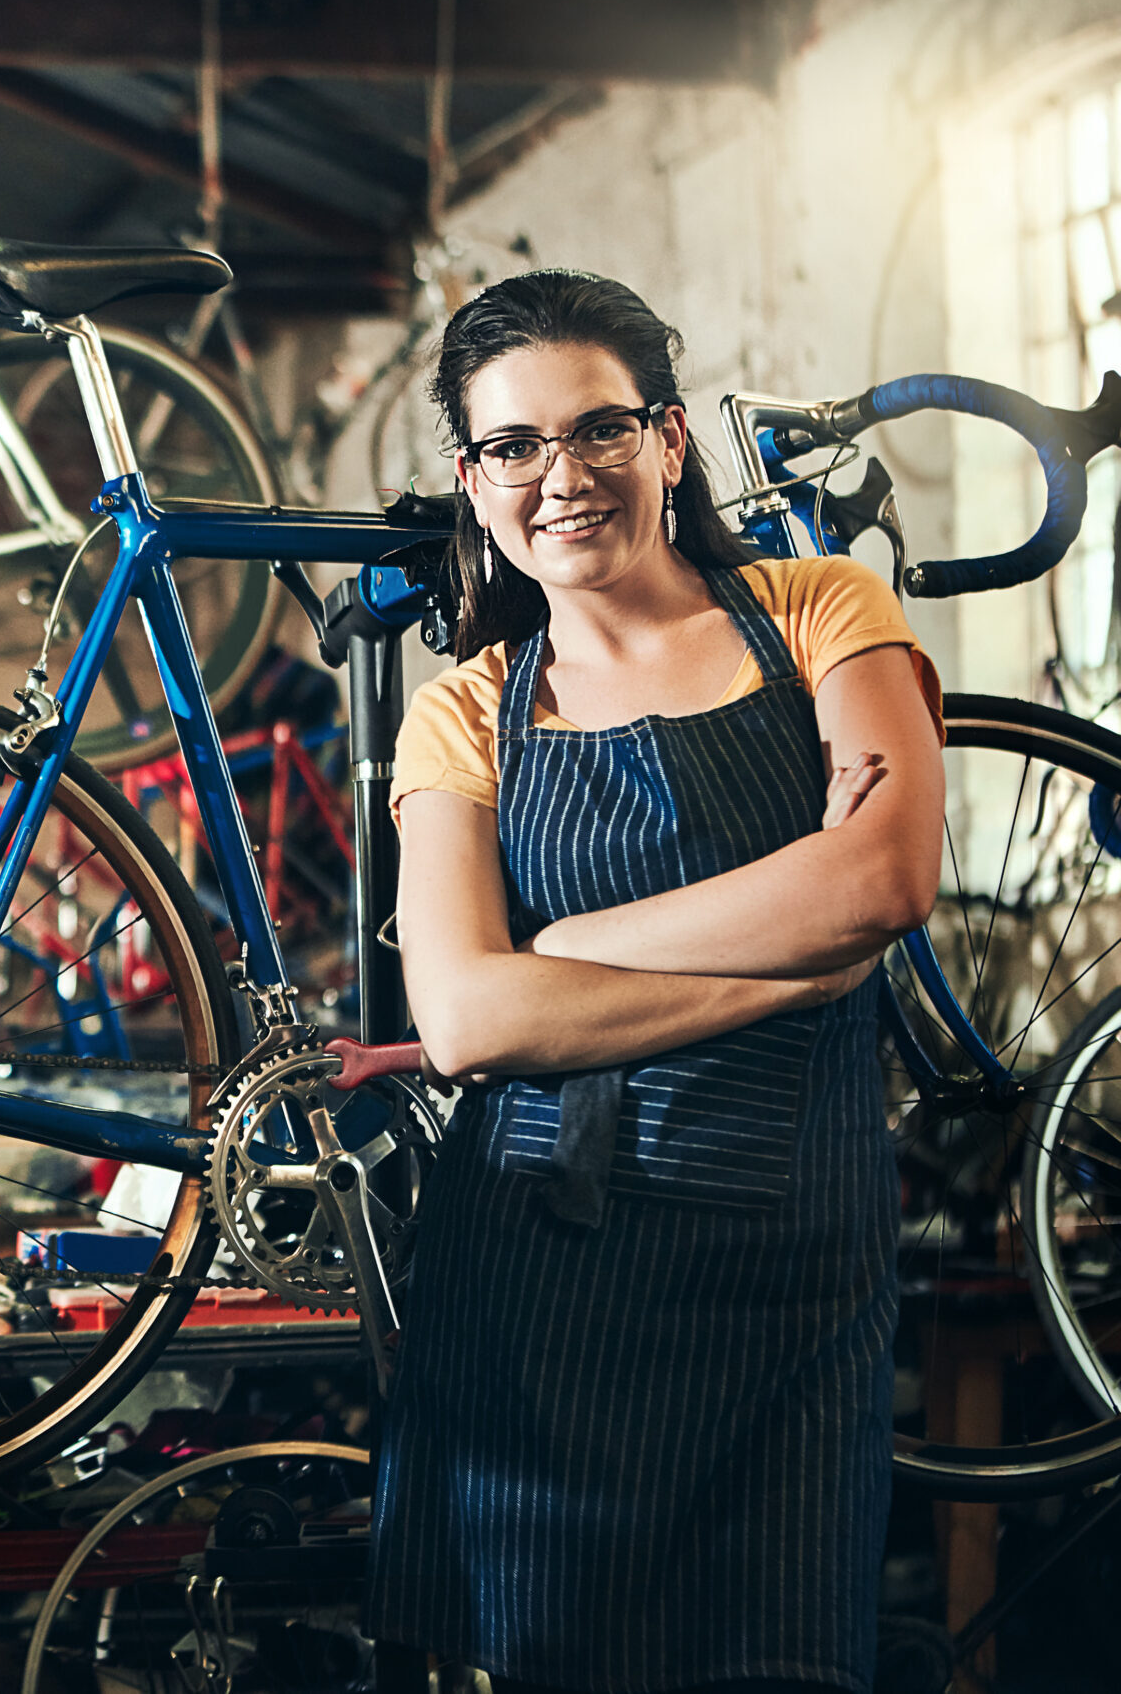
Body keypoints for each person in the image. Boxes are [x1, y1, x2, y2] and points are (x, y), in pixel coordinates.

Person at [368, 272, 945, 1694]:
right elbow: (468, 1017)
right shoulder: (462, 710)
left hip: (794, 1270)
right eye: (513, 446)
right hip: (542, 1282)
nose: (560, 477)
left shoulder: (821, 610)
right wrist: (794, 976)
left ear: (670, 442)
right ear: (471, 477)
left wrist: (567, 947)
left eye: (599, 430)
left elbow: (878, 885)